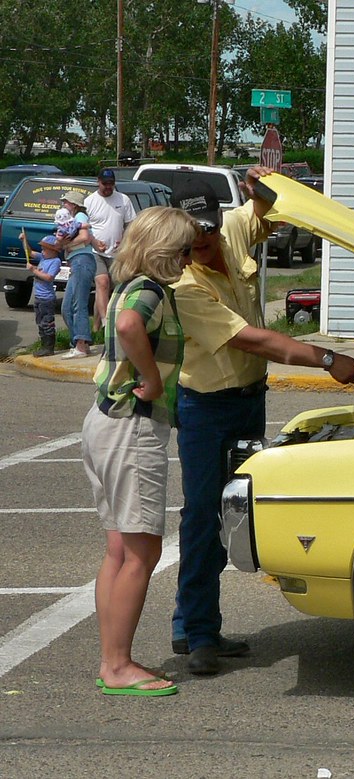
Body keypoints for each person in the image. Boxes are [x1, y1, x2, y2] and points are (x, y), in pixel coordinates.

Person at [169, 167, 354, 675]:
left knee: (235, 513)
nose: (202, 241)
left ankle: (191, 625)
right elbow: (257, 341)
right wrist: (328, 359)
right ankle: (198, 633)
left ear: (217, 220)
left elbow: (268, 207)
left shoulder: (232, 231)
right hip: (206, 408)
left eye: (207, 229)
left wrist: (264, 182)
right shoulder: (183, 284)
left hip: (248, 400)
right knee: (204, 517)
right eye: (192, 234)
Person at [82, 206, 198, 697]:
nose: (190, 258)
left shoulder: (128, 283)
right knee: (142, 551)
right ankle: (118, 665)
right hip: (131, 426)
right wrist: (152, 379)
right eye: (185, 249)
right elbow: (129, 326)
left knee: (118, 549)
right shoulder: (149, 290)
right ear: (165, 250)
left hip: (105, 420)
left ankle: (112, 659)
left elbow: (119, 321)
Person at [86, 167, 137, 329]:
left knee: (109, 289)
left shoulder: (123, 200)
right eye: (105, 183)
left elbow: (131, 225)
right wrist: (94, 242)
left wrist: (124, 241)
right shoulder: (89, 201)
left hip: (117, 253)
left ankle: (96, 328)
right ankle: (106, 322)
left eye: (111, 183)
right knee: (102, 283)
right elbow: (84, 228)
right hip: (96, 252)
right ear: (98, 182)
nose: (108, 186)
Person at [57, 190, 96, 359]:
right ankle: (81, 343)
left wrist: (66, 245)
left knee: (77, 304)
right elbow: (90, 238)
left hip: (82, 261)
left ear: (73, 204)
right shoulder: (75, 220)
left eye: (65, 202)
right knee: (66, 307)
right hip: (77, 262)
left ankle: (80, 345)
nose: (63, 204)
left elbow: (85, 237)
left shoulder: (79, 217)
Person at [21, 233, 63, 357]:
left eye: (45, 249)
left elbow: (49, 277)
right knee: (40, 322)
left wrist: (34, 270)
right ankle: (44, 345)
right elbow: (30, 253)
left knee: (47, 322)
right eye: (42, 249)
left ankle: (49, 347)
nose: (42, 251)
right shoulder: (43, 258)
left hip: (46, 298)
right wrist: (24, 240)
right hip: (38, 297)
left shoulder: (55, 261)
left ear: (53, 251)